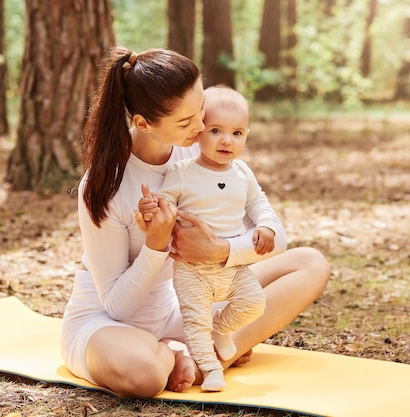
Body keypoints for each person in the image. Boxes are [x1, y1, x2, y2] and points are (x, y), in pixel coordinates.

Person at [60, 46, 330, 398]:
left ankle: (212, 353)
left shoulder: (199, 149)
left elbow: (273, 237)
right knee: (142, 376)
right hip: (110, 326)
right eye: (186, 122)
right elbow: (116, 305)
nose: (202, 127)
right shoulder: (104, 184)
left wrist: (221, 250)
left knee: (310, 263)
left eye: (200, 109)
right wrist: (156, 244)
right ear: (142, 123)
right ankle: (179, 355)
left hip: (185, 302)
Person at [137, 85, 278, 391]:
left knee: (254, 303)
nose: (227, 140)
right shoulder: (183, 171)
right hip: (192, 269)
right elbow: (166, 201)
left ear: (246, 135)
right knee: (195, 322)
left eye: (237, 133)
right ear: (200, 132)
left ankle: (222, 329)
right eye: (216, 130)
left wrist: (265, 225)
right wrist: (153, 206)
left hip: (232, 266)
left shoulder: (243, 173)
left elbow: (259, 203)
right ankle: (211, 368)